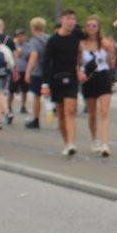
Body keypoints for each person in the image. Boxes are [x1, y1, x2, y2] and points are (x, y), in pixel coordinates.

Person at [41, 10, 83, 157]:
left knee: (70, 111)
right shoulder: (53, 40)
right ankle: (66, 142)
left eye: (73, 19)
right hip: (56, 80)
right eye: (68, 19)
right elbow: (45, 63)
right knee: (61, 115)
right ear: (62, 20)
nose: (71, 22)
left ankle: (71, 143)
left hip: (71, 78)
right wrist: (45, 85)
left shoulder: (77, 36)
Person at [79, 16, 115, 157]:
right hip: (89, 78)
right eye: (89, 26)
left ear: (98, 28)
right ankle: (94, 140)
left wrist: (111, 52)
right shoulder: (81, 44)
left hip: (103, 76)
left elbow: (112, 63)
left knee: (104, 111)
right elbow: (77, 63)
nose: (92, 28)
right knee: (92, 114)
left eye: (94, 26)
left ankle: (105, 143)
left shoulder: (104, 43)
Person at [22, 17, 49, 128]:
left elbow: (33, 55)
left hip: (38, 71)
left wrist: (28, 72)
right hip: (49, 70)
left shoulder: (34, 40)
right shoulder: (49, 38)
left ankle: (36, 118)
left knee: (37, 96)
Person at [7, 29, 28, 119]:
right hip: (15, 70)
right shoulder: (13, 45)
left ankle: (23, 106)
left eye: (22, 35)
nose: (21, 37)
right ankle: (9, 106)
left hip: (24, 70)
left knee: (25, 90)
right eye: (19, 36)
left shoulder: (28, 46)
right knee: (12, 90)